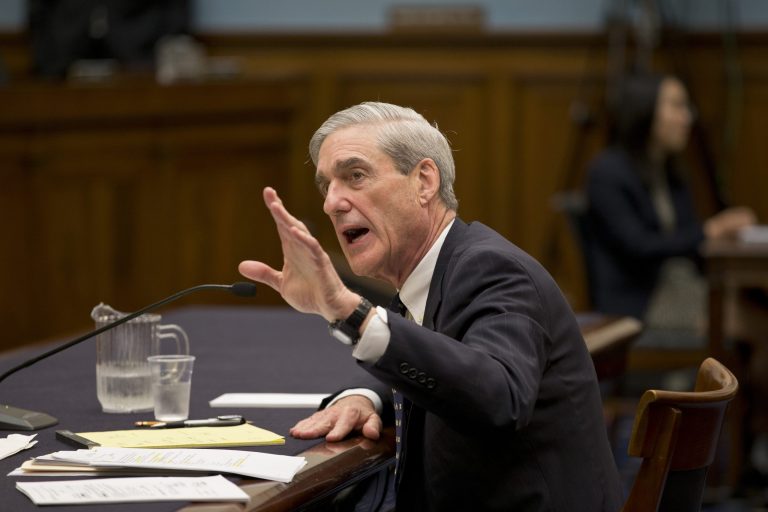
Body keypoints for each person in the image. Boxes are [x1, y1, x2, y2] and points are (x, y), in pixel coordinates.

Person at [239, 102, 622, 511]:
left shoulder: (491, 269)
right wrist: (369, 397)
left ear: (424, 181)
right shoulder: (431, 275)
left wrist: (352, 314)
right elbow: (448, 360)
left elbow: (500, 397)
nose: (332, 202)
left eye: (355, 176)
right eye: (327, 186)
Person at [586, 73, 756, 325]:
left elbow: (686, 238)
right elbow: (639, 246)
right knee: (753, 323)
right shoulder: (607, 172)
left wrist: (721, 235)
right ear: (645, 110)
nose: (687, 117)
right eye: (677, 106)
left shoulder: (670, 170)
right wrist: (711, 230)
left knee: (752, 305)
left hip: (683, 286)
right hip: (643, 301)